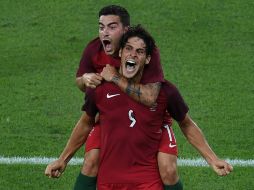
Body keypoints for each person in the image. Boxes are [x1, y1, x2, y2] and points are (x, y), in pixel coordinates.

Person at [45, 25, 233, 189]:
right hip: (109, 183)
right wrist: (62, 159)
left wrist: (212, 159)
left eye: (140, 51)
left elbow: (187, 124)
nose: (133, 54)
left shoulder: (165, 92)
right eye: (128, 48)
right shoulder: (100, 89)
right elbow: (86, 123)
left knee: (169, 168)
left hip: (147, 184)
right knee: (90, 161)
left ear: (148, 59)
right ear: (120, 53)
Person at [74, 5, 182, 189]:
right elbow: (80, 82)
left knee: (168, 170)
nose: (105, 33)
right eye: (101, 27)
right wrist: (85, 79)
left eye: (111, 27)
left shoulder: (148, 51)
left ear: (126, 30)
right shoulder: (94, 49)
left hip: (151, 116)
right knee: (91, 161)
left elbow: (150, 98)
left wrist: (114, 78)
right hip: (112, 113)